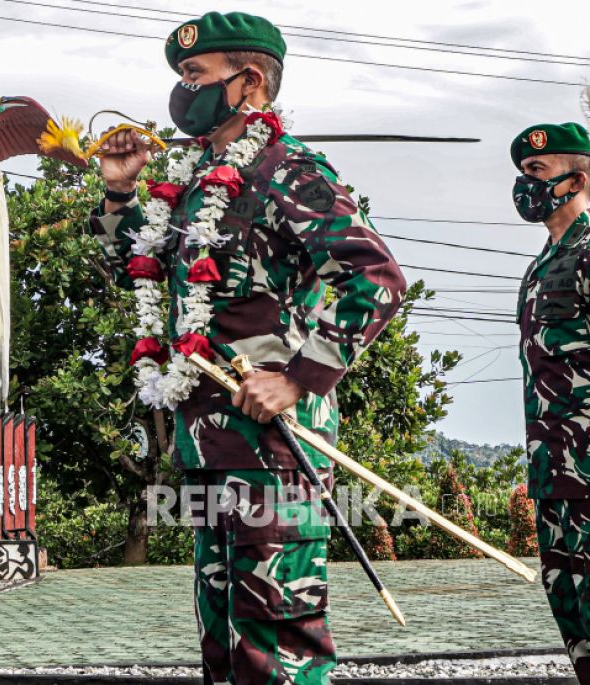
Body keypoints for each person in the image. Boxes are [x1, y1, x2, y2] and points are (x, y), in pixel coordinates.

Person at [89, 11, 406, 684]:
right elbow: (143, 273)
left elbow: (376, 278)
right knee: (224, 640)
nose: (183, 90)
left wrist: (297, 378)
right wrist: (119, 192)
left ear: (250, 81)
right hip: (207, 441)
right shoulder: (195, 180)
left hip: (275, 446)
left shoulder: (289, 170)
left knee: (277, 642)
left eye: (195, 74)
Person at [512, 122, 590, 683]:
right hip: (553, 471)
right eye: (522, 173)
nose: (524, 185)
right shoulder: (540, 266)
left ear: (576, 180)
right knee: (571, 611)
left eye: (536, 171)